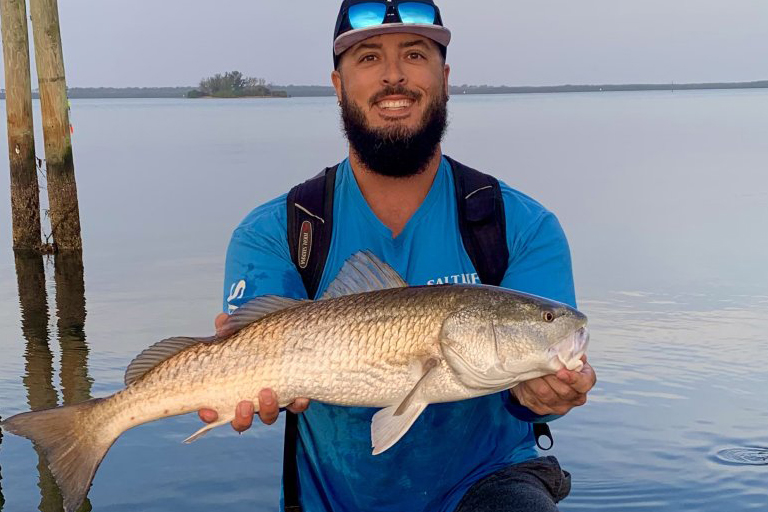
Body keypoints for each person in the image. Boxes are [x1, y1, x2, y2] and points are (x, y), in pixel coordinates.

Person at [199, 1, 596, 510]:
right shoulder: (276, 230)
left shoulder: (519, 227)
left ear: (444, 77)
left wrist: (550, 396)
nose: (393, 76)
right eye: (367, 58)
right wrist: (238, 371)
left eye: (414, 54)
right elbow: (252, 339)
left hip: (492, 484)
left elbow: (545, 386)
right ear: (338, 86)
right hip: (331, 497)